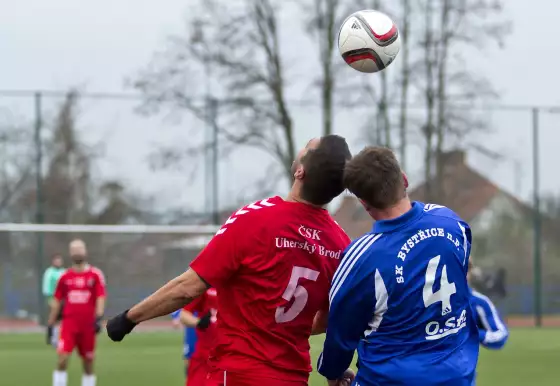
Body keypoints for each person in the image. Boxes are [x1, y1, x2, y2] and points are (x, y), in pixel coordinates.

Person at [106, 135, 352, 386]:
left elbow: (187, 287)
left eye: (307, 146)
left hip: (238, 374)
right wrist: (285, 330)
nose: (301, 146)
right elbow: (330, 318)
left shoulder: (256, 220)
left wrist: (128, 318)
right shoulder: (341, 244)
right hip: (293, 378)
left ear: (300, 171)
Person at [318, 146, 479, 386]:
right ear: (404, 179)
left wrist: (333, 373)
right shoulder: (452, 223)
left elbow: (341, 334)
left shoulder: (362, 257)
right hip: (457, 377)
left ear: (364, 204)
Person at [48, 239, 106, 386]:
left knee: (88, 362)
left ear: (85, 252)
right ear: (70, 253)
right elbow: (56, 300)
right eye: (74, 249)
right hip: (69, 324)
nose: (77, 252)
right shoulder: (64, 277)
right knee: (62, 359)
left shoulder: (95, 275)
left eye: (80, 249)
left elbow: (100, 296)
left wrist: (98, 317)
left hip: (87, 325)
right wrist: (50, 323)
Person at [468, 260, 508, 385]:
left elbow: (500, 335)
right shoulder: (416, 302)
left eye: (465, 268)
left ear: (470, 273)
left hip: (460, 378)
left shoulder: (478, 303)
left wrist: (472, 333)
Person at [179, 288, 217, 385]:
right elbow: (184, 315)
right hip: (204, 356)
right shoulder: (206, 286)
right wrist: (199, 322)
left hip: (234, 356)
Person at [43, 254, 65, 347]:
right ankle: (50, 337)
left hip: (63, 298)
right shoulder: (49, 272)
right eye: (56, 260)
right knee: (53, 317)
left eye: (59, 260)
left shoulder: (64, 271)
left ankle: (59, 338)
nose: (58, 262)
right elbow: (46, 286)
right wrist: (49, 297)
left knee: (62, 318)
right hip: (53, 297)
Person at [171, 309, 199, 379]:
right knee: (189, 360)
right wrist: (176, 316)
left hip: (212, 328)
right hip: (192, 329)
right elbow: (178, 302)